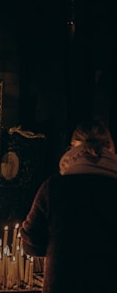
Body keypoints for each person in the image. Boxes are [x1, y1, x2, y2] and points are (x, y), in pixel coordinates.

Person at [19, 120, 117, 293]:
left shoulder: (54, 187)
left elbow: (31, 242)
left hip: (64, 283)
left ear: (72, 148)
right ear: (110, 147)